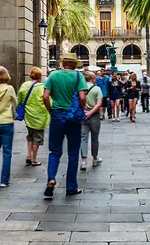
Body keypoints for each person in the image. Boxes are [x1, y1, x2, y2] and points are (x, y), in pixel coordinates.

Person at [43, 54, 87, 197]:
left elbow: (45, 96)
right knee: (73, 154)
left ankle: (51, 178)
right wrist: (82, 109)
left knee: (54, 151)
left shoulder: (53, 75)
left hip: (57, 116)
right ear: (74, 64)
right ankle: (71, 187)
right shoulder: (78, 77)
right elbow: (82, 97)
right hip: (73, 117)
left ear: (63, 63)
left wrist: (51, 110)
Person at [18, 67, 48, 167]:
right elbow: (48, 100)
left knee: (30, 135)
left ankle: (28, 155)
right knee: (37, 138)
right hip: (40, 117)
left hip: (28, 116)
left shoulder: (25, 85)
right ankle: (34, 159)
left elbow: (19, 99)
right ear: (40, 76)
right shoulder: (42, 87)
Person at [80, 72, 103, 171]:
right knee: (95, 138)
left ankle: (84, 161)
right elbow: (98, 104)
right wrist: (91, 113)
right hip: (94, 116)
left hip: (83, 115)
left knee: (83, 138)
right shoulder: (97, 89)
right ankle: (94, 159)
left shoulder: (81, 89)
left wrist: (84, 111)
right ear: (93, 79)